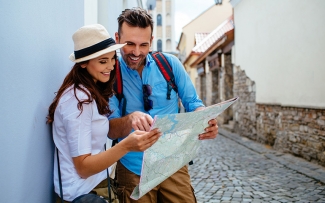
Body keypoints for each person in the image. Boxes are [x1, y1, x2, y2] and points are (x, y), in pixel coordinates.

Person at [107, 8, 219, 203]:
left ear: (151, 41)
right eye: (129, 44)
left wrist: (205, 119)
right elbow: (110, 130)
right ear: (117, 38)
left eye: (143, 45)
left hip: (173, 162)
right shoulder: (108, 75)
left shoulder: (171, 64)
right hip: (133, 167)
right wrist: (130, 119)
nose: (136, 52)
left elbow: (193, 103)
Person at [47, 24, 162, 202]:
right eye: (102, 61)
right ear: (84, 63)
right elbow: (83, 167)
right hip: (82, 194)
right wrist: (126, 146)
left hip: (95, 188)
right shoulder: (78, 100)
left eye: (112, 59)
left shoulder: (88, 93)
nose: (110, 66)